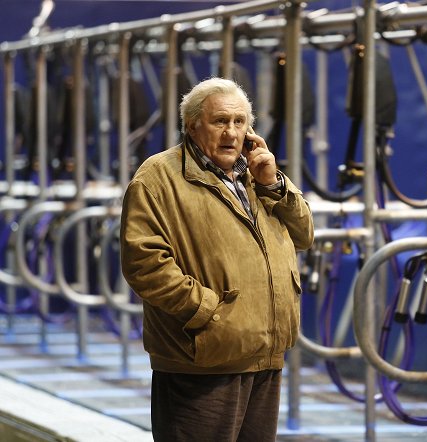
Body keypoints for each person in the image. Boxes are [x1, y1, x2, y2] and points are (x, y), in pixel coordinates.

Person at [120, 77, 314, 442]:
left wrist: (274, 183)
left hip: (264, 355)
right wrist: (210, 314)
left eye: (239, 122)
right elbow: (144, 264)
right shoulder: (158, 177)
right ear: (192, 125)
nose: (231, 132)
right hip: (202, 360)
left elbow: (304, 235)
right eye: (220, 121)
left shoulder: (258, 175)